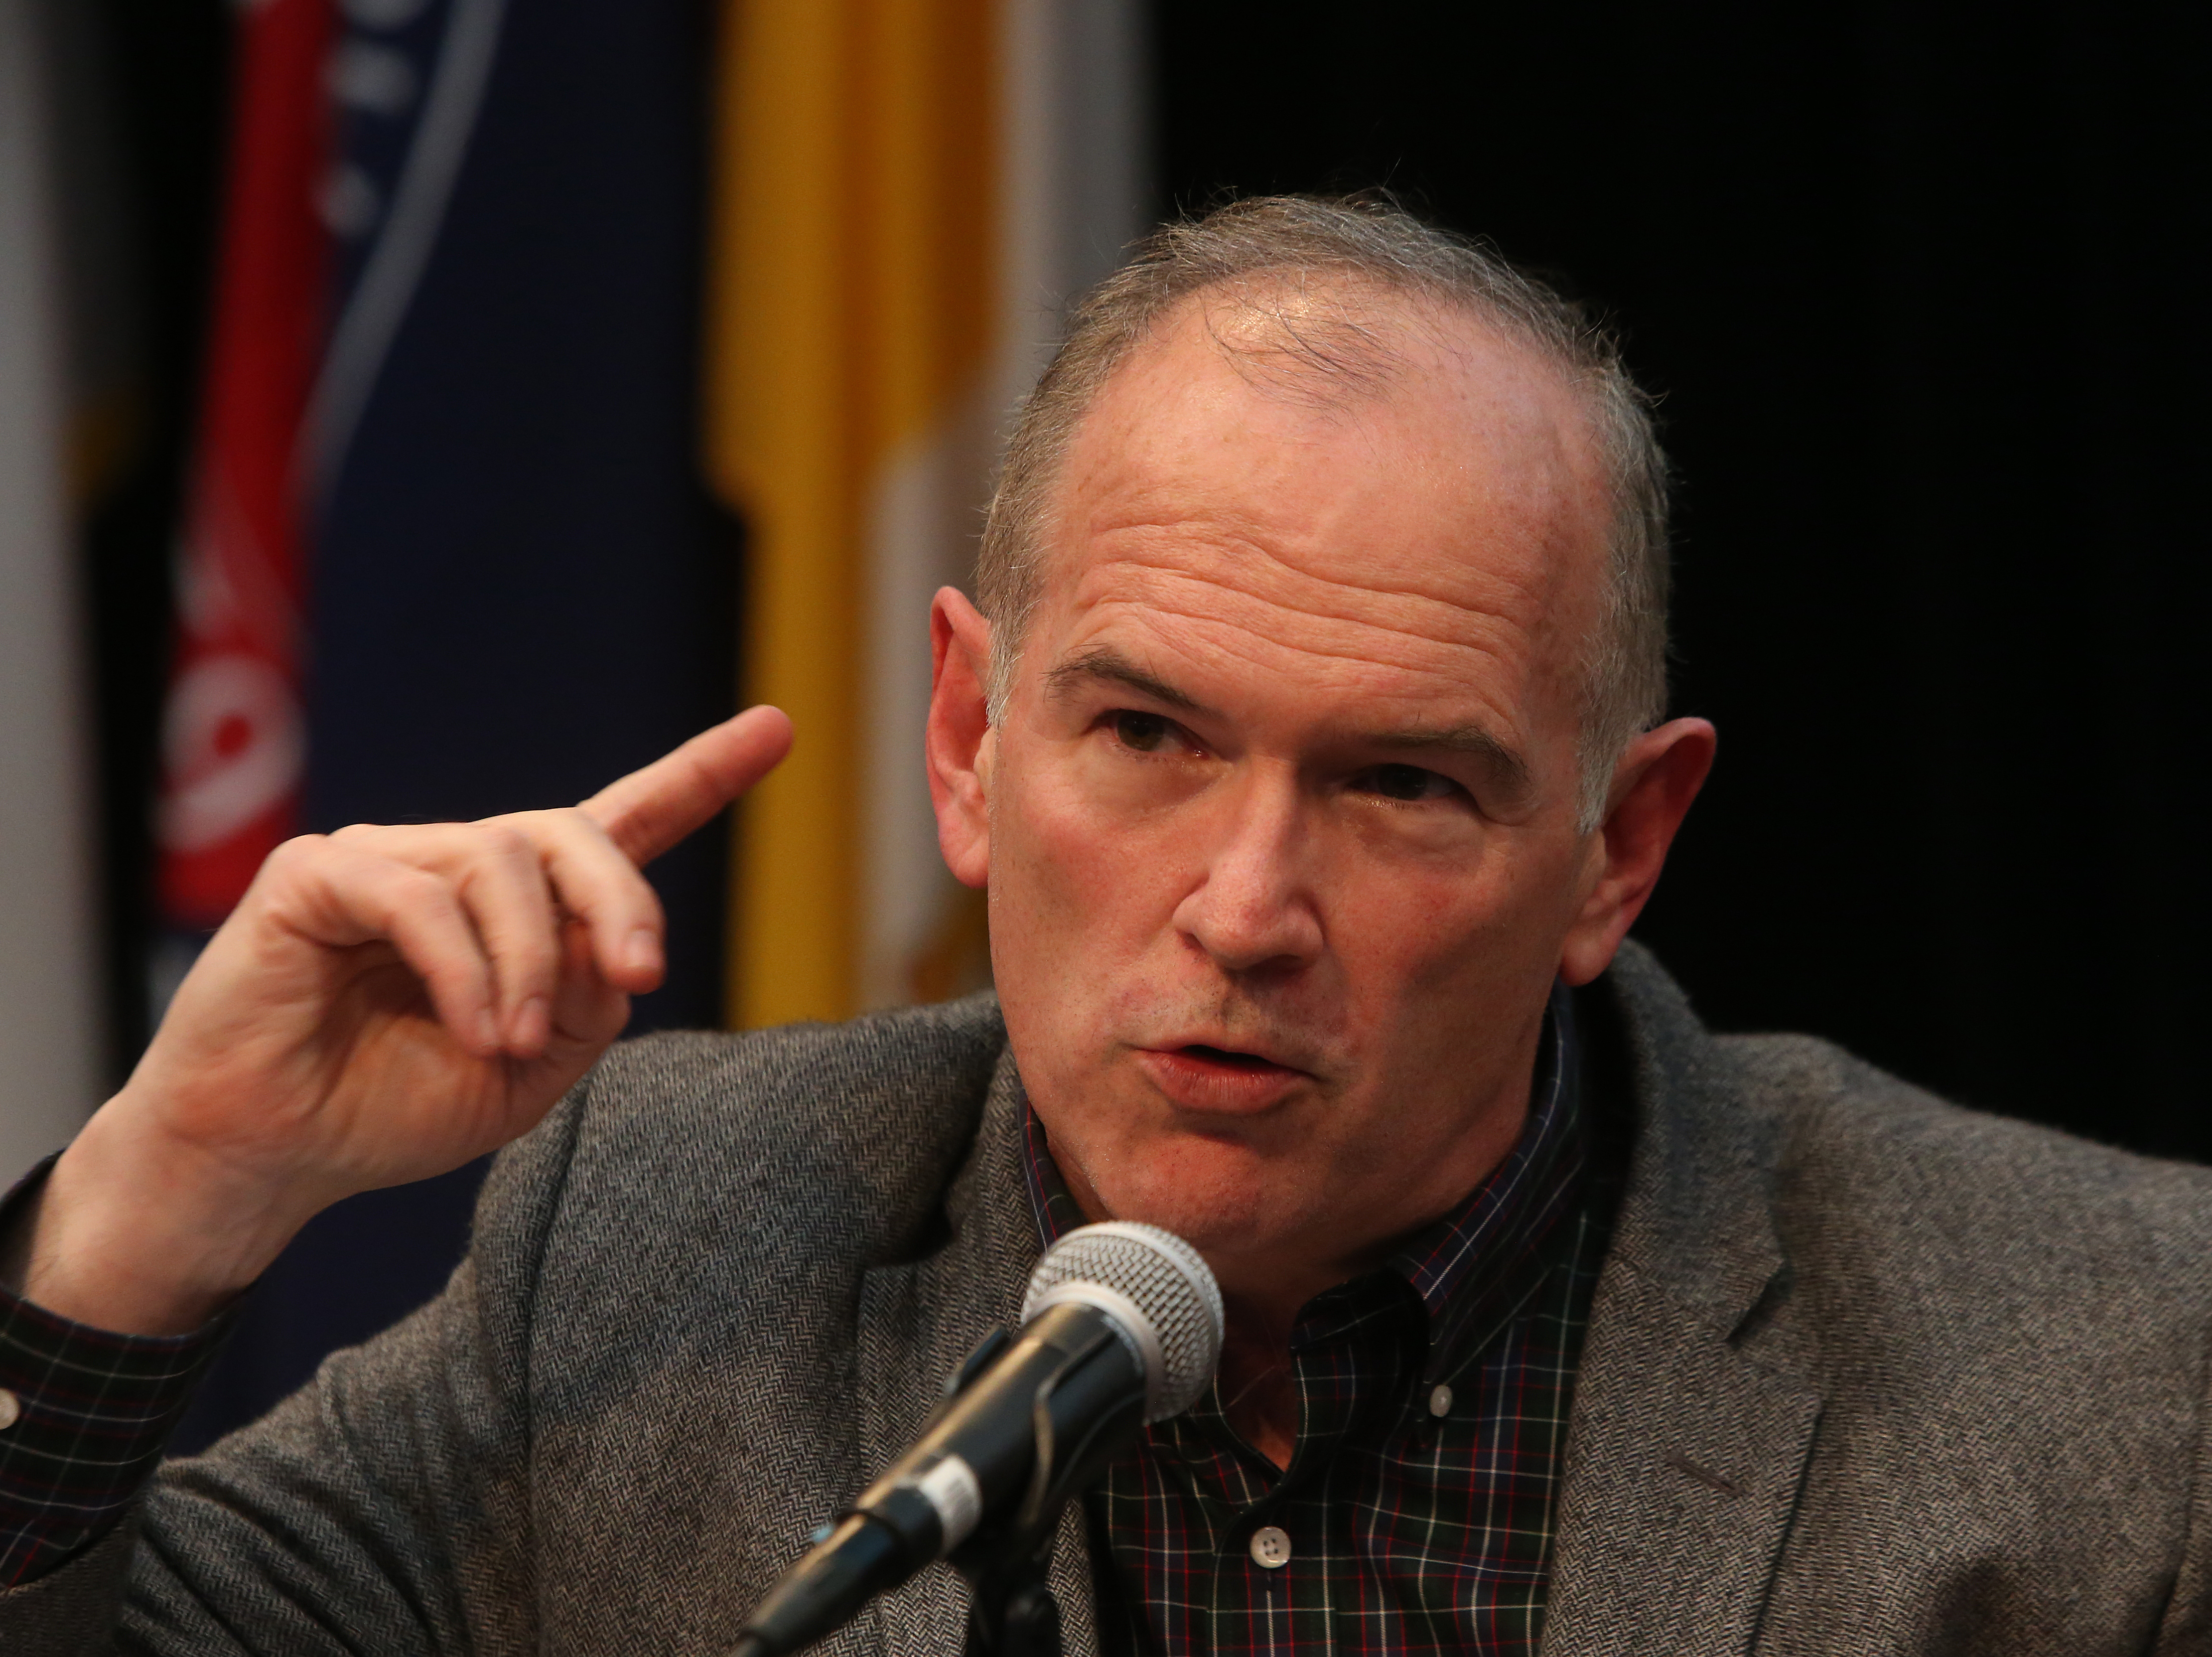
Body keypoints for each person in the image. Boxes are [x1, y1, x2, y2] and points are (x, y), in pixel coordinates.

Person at [3, 196, 2209, 1656]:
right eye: (1145, 731)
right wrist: (155, 1204)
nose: (1245, 909)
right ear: (967, 735)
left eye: (1403, 783)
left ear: (1619, 847)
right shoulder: (667, 1236)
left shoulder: (2118, 1363)